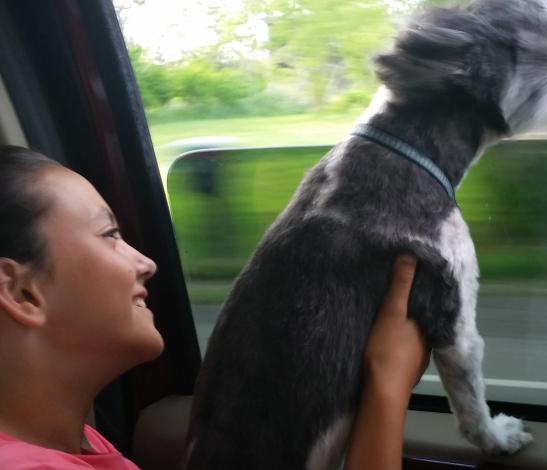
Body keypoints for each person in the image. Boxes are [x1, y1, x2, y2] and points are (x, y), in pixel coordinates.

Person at [0, 146, 429, 469]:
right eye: (110, 234)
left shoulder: (79, 445)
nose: (146, 264)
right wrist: (387, 384)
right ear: (22, 292)